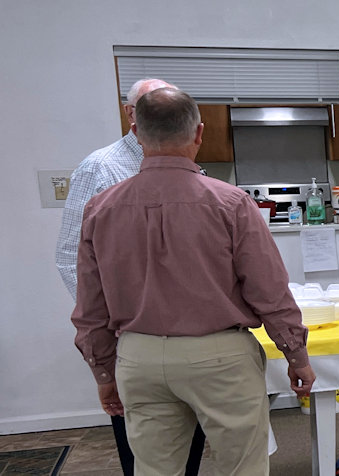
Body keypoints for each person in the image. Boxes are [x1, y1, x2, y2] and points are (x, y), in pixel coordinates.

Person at [70, 87, 315, 475]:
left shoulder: (100, 208)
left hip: (139, 355)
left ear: (136, 132)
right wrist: (296, 355)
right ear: (199, 133)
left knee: (154, 470)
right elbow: (269, 291)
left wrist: (102, 370)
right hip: (220, 357)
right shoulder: (231, 203)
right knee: (242, 468)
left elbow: (90, 304)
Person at [54, 78, 208, 475]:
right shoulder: (101, 167)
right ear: (130, 114)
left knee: (190, 446)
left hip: (194, 338)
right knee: (145, 451)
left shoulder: (189, 163)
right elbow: (70, 257)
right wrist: (105, 327)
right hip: (132, 338)